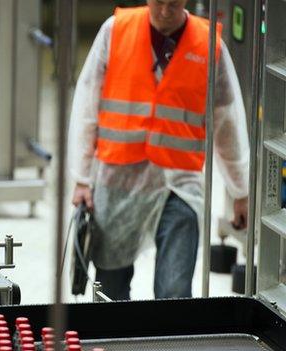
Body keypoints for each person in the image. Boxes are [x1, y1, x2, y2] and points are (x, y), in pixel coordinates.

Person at [67, 0, 249, 300]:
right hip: (118, 183)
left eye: (174, 4)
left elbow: (228, 123)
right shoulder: (115, 31)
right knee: (110, 289)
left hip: (179, 184)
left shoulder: (209, 46)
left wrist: (239, 191)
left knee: (174, 293)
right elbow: (86, 107)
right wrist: (82, 179)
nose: (165, 12)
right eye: (159, 3)